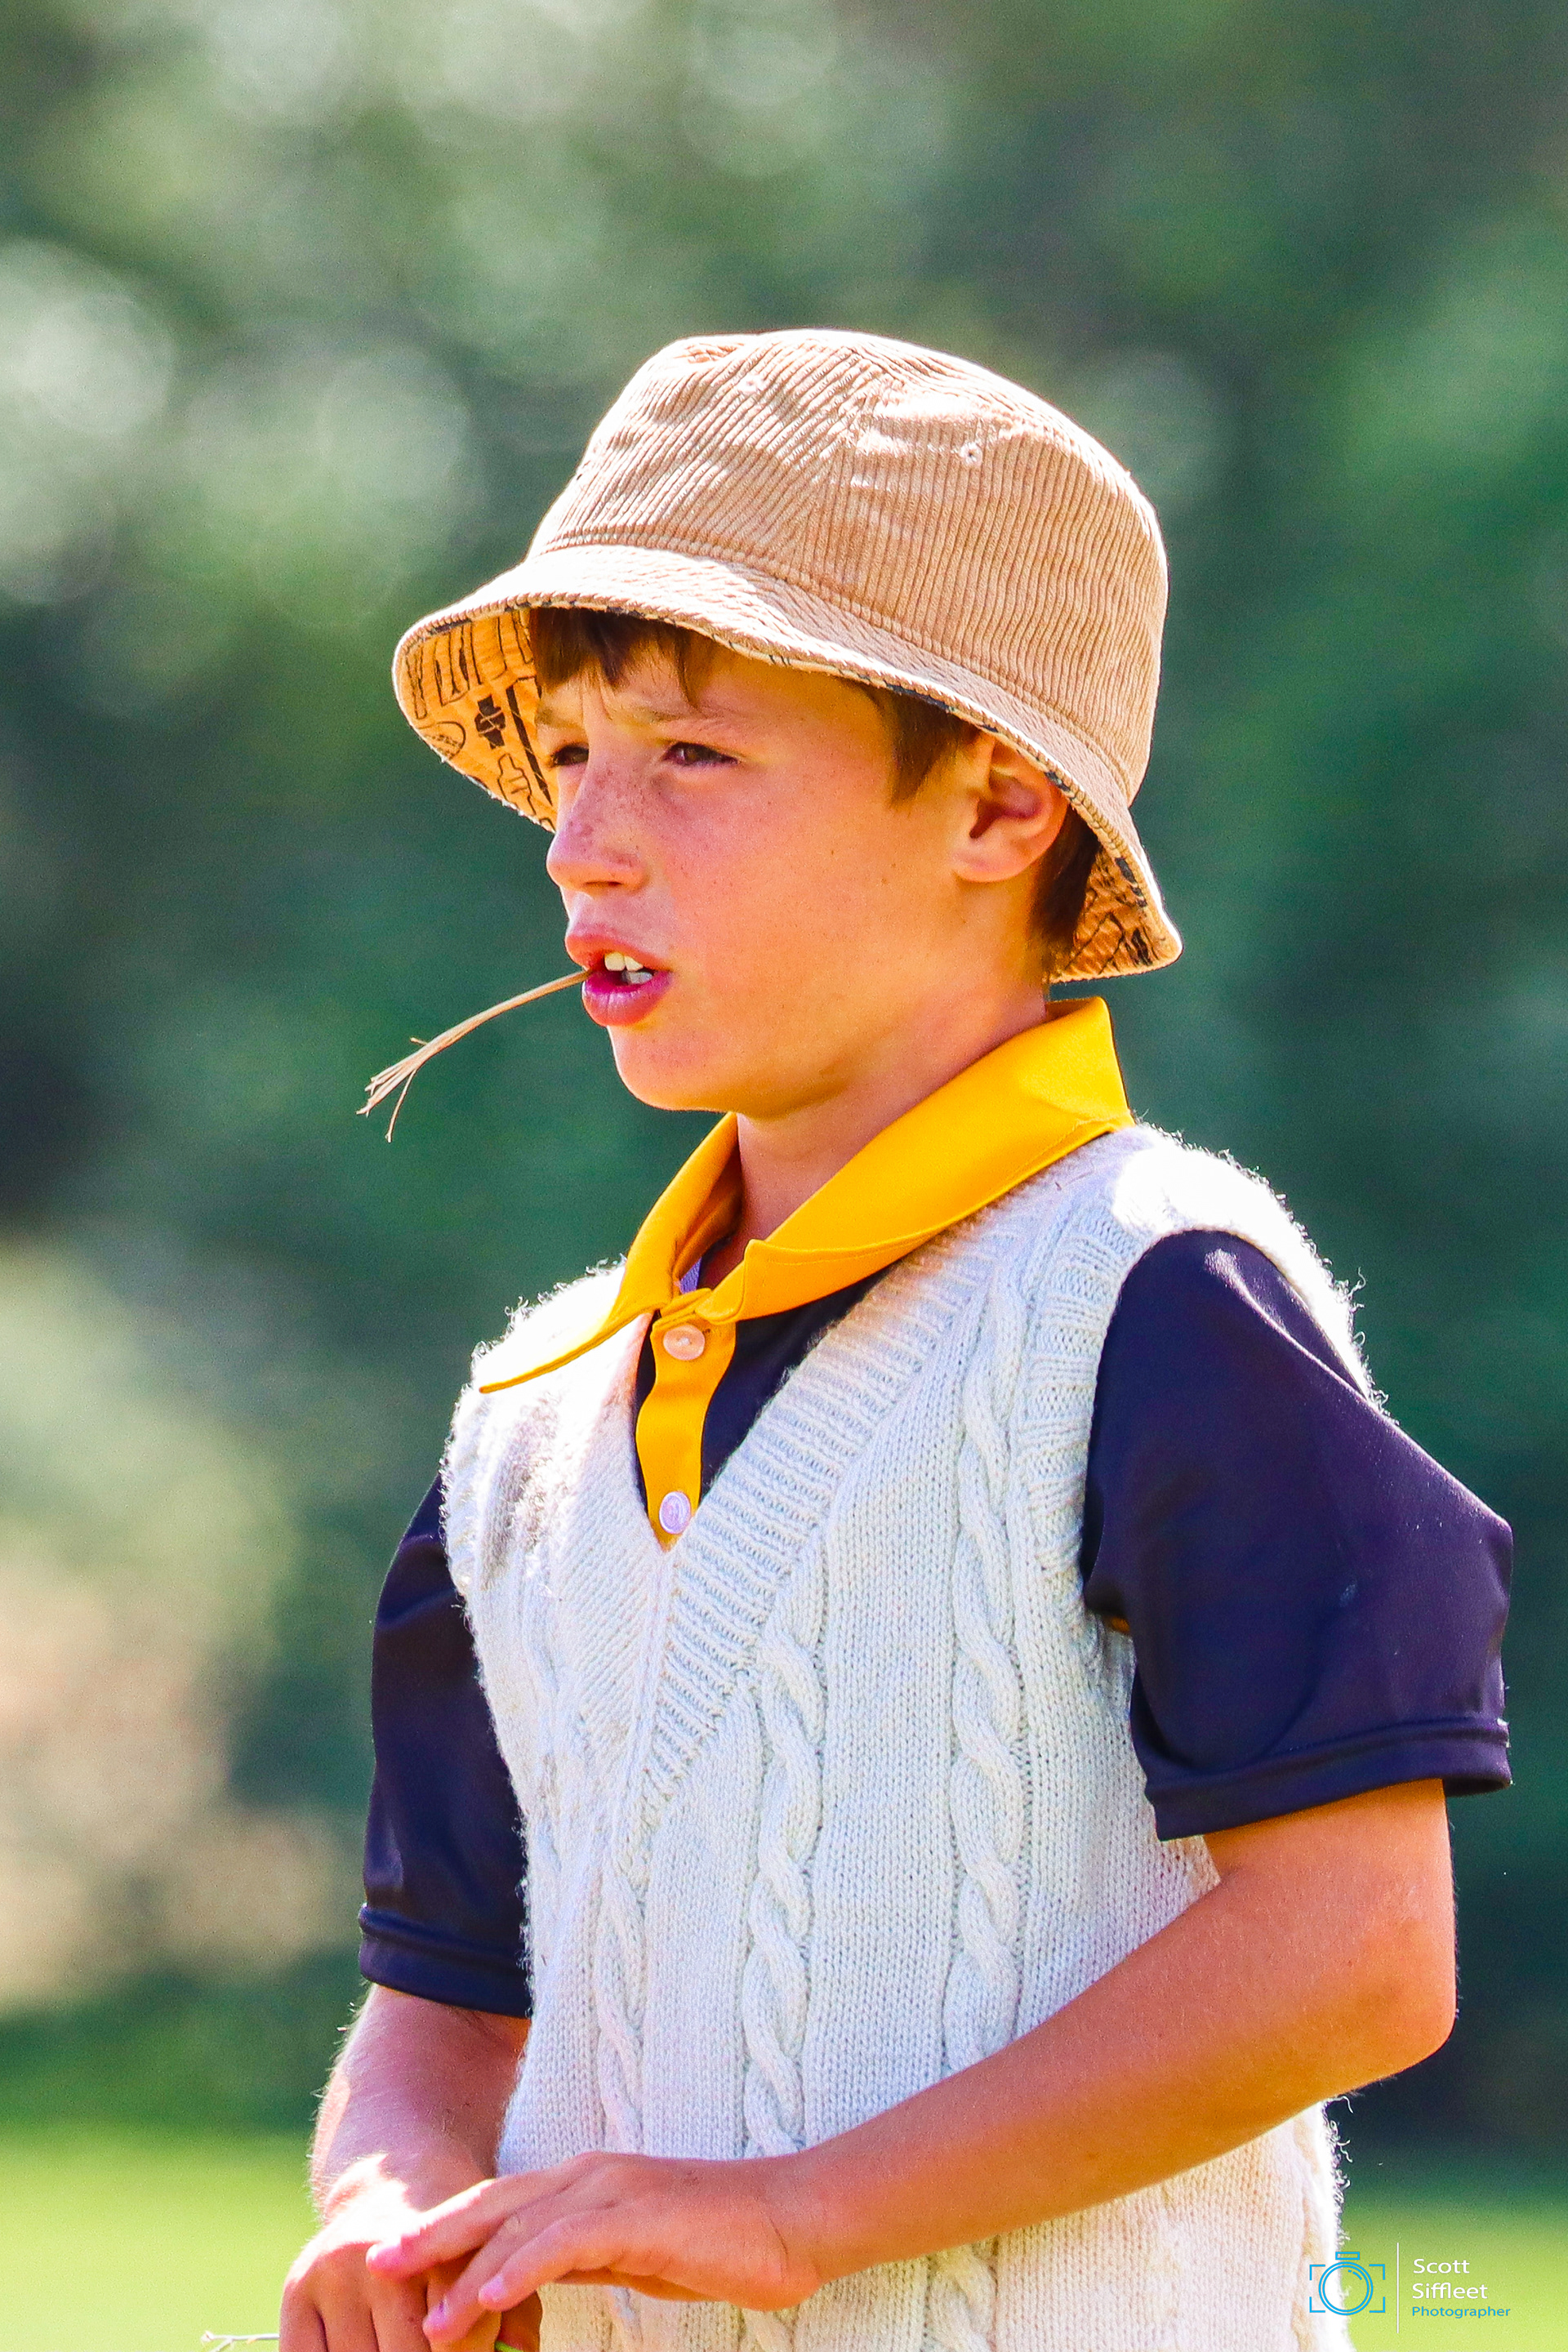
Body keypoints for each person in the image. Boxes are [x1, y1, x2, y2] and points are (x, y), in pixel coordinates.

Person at [282, 331, 1511, 2352]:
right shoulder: (536, 1409)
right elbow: (445, 2008)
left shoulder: (1158, 1299)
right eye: (572, 756)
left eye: (691, 757)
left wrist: (798, 2215)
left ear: (1001, 803)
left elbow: (1359, 1956)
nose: (584, 841)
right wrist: (389, 2201)